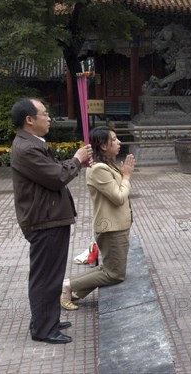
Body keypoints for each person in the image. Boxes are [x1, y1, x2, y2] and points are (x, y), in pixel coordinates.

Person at [10, 98, 93, 344]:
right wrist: (77, 159)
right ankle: (43, 330)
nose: (48, 118)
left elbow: (54, 170)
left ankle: (47, 321)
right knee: (46, 277)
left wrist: (74, 163)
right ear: (29, 120)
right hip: (44, 221)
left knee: (51, 275)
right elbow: (56, 176)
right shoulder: (27, 148)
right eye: (44, 114)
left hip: (49, 218)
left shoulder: (32, 144)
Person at [60, 126, 135, 310]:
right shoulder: (99, 169)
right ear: (102, 145)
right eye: (114, 139)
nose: (119, 143)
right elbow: (118, 197)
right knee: (114, 274)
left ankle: (77, 291)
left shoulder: (108, 164)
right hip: (110, 228)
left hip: (117, 226)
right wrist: (126, 177)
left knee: (108, 268)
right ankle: (68, 286)